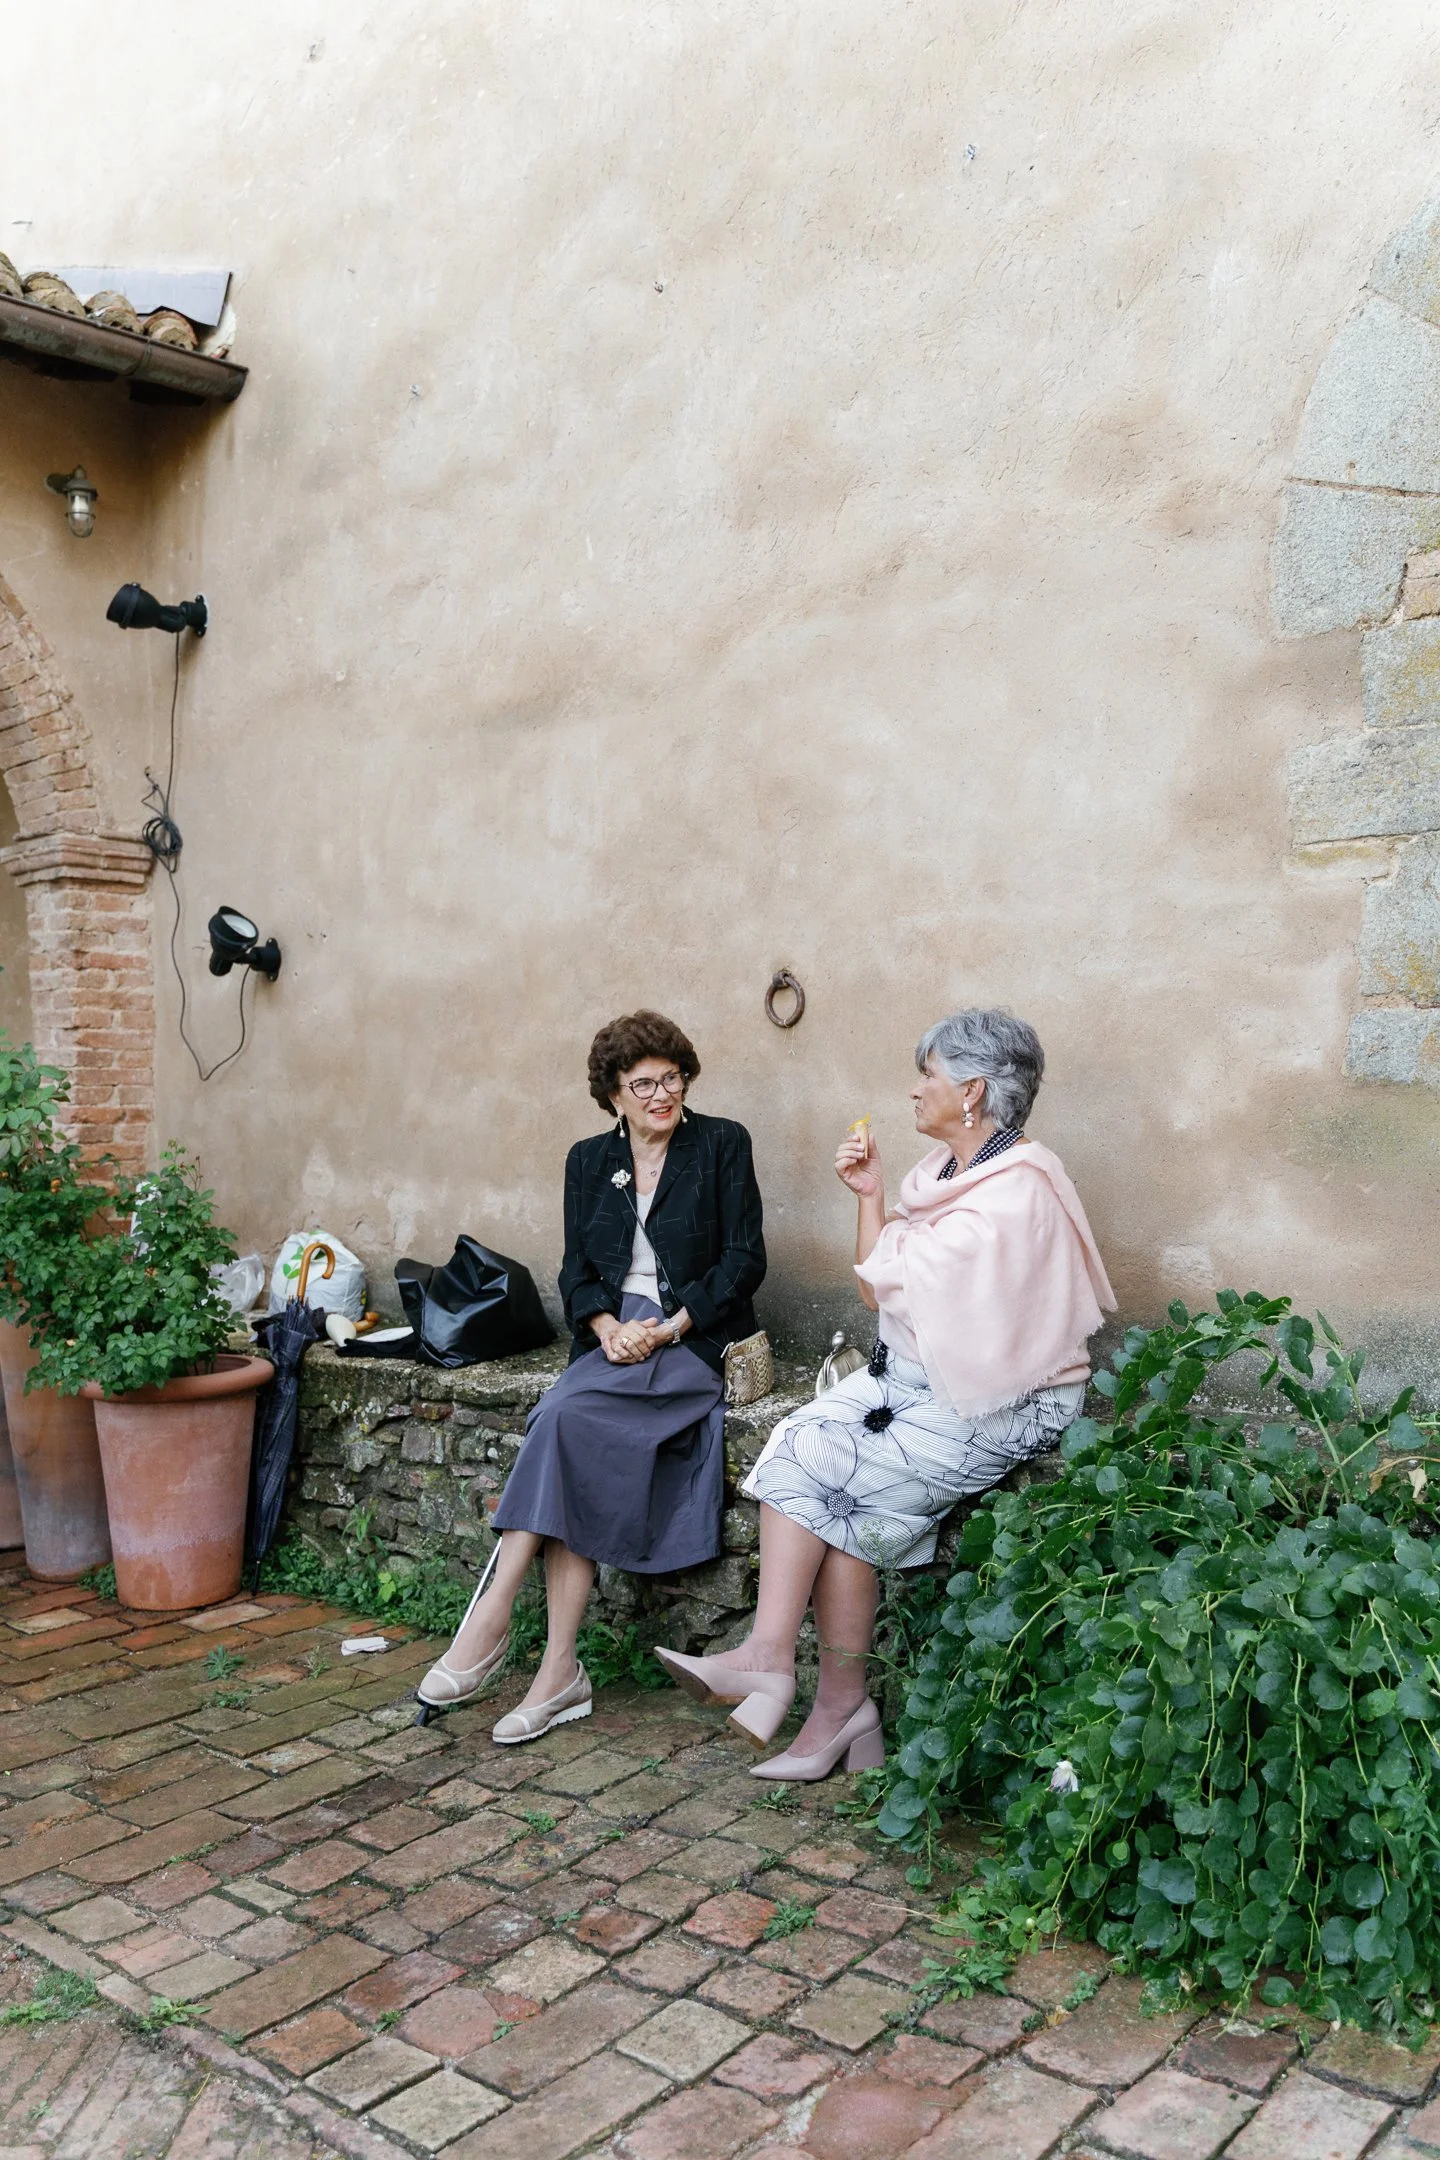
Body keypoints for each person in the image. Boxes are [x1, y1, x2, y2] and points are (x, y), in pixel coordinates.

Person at [656, 1007, 1115, 1782]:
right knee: (800, 1446)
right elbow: (880, 1293)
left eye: (927, 1075)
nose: (912, 1091)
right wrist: (870, 1196)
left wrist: (896, 1245)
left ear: (971, 1091)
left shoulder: (1021, 1190)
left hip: (1005, 1402)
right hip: (913, 1382)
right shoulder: (941, 1175)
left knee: (842, 1490)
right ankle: (794, 1677)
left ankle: (828, 1705)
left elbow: (907, 1290)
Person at [417, 1009, 766, 1742]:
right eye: (643, 1084)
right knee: (565, 1423)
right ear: (612, 1094)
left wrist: (668, 1327)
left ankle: (495, 1617)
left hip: (695, 1339)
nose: (661, 1096)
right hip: (614, 1341)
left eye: (672, 1079)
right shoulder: (587, 1160)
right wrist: (607, 1329)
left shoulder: (723, 1144)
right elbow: (576, 1270)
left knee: (562, 1420)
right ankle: (558, 1668)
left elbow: (743, 1261)